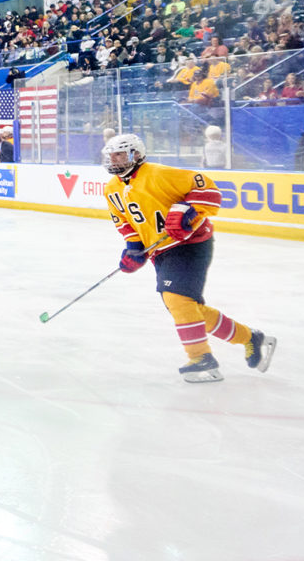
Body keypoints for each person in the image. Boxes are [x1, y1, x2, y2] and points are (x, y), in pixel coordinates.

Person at [101, 132, 274, 382]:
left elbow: (208, 189)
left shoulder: (159, 173)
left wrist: (187, 211)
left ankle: (201, 358)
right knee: (187, 309)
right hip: (160, 252)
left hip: (190, 244)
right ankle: (251, 338)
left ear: (135, 155)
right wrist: (134, 248)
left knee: (177, 301)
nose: (113, 159)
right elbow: (125, 222)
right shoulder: (111, 189)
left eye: (119, 154)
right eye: (110, 155)